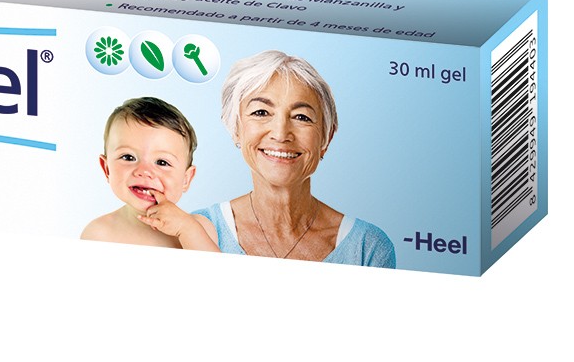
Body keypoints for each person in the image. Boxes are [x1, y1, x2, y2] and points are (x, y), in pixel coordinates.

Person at [194, 50, 396, 267]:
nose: (281, 134)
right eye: (261, 112)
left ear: (326, 138)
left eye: (301, 117)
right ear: (235, 128)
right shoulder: (197, 230)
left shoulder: (368, 247)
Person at [80, 97, 218, 251]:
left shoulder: (198, 229)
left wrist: (186, 229)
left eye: (162, 162)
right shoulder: (98, 233)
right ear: (107, 169)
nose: (144, 171)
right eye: (128, 157)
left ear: (186, 179)